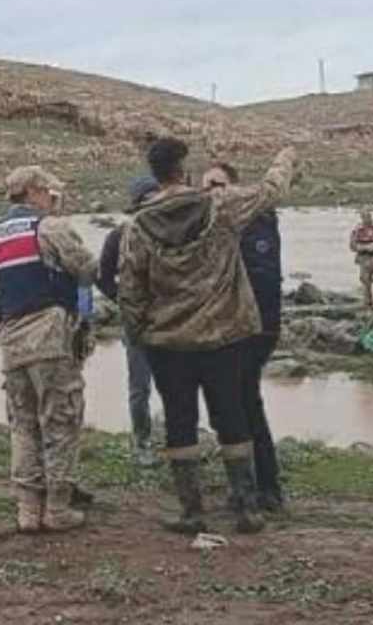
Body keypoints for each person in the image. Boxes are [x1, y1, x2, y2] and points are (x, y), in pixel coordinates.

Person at [119, 138, 299, 535]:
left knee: (180, 424)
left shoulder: (138, 226)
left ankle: (192, 511)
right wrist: (284, 156)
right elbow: (272, 190)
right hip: (223, 339)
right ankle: (247, 508)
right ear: (183, 171)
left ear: (155, 174)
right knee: (232, 418)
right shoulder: (220, 206)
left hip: (168, 344)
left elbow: (130, 290)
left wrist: (140, 335)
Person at [0, 166, 98, 533]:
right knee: (60, 420)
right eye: (48, 191)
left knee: (23, 423)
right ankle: (58, 508)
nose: (52, 198)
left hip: (12, 341)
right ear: (33, 192)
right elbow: (87, 267)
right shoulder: (51, 227)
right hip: (50, 336)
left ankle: (28, 510)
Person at [202, 162, 285, 512]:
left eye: (218, 184)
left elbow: (264, 280)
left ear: (235, 188)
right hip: (224, 329)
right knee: (232, 406)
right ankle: (252, 484)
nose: (212, 193)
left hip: (251, 329)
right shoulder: (212, 226)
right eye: (205, 186)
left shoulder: (256, 223)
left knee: (245, 404)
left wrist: (259, 329)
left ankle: (262, 488)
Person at [95, 176, 161, 467]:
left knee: (178, 385)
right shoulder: (118, 236)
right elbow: (102, 276)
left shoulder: (171, 231)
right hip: (137, 325)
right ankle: (143, 442)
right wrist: (123, 302)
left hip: (173, 322)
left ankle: (180, 440)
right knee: (140, 388)